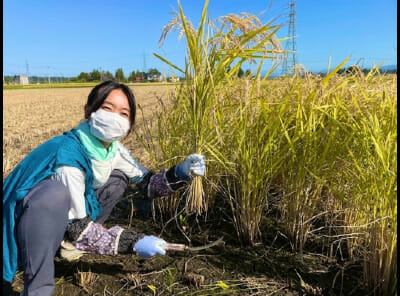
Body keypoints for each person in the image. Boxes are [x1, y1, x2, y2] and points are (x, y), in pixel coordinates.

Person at [3, 80, 206, 296]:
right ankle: (38, 286)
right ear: (89, 112)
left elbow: (148, 185)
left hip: (60, 219)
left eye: (124, 113)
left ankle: (67, 244)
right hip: (24, 224)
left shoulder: (112, 150)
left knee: (117, 179)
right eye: (107, 108)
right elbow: (78, 228)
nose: (114, 118)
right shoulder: (68, 158)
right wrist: (135, 242)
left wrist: (182, 172)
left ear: (129, 126)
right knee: (54, 194)